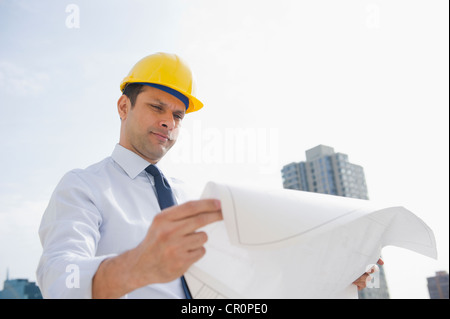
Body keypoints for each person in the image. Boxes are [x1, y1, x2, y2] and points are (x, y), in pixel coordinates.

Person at [36, 52, 381, 299]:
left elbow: (249, 275)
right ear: (124, 107)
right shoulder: (83, 186)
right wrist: (137, 266)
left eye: (178, 115)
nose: (168, 122)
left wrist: (335, 274)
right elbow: (58, 279)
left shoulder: (190, 197)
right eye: (156, 107)